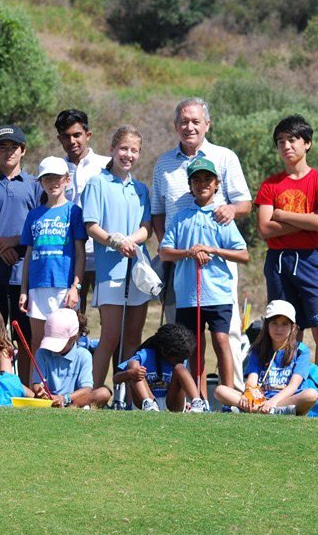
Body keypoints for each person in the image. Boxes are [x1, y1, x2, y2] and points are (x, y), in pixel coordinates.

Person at [151, 98, 252, 389]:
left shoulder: (225, 157)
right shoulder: (164, 163)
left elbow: (245, 202)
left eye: (196, 121)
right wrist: (173, 251)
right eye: (184, 121)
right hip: (179, 262)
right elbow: (158, 211)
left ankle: (232, 397)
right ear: (175, 126)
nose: (189, 126)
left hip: (218, 266)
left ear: (207, 124)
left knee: (227, 335)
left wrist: (232, 209)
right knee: (184, 337)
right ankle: (190, 398)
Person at [158, 158, 249, 409]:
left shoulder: (222, 217)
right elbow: (165, 251)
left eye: (207, 179)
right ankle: (200, 400)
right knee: (194, 348)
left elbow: (243, 255)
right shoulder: (181, 218)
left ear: (217, 184)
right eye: (196, 180)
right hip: (188, 294)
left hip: (218, 293)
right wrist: (189, 252)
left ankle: (229, 398)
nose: (202, 184)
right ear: (190, 186)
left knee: (222, 341)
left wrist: (212, 249)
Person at [255, 115, 318, 385]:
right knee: (287, 331)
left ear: (307, 144)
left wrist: (282, 214)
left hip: (311, 261)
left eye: (292, 140)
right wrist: (305, 222)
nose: (286, 146)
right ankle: (286, 393)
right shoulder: (270, 184)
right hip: (278, 262)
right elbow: (265, 229)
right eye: (280, 142)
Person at [82, 125, 152, 387]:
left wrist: (129, 241)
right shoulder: (97, 183)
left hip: (137, 271)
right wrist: (115, 241)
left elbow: (147, 229)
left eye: (134, 150)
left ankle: (127, 398)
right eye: (123, 148)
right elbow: (91, 226)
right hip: (110, 272)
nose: (128, 155)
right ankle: (93, 394)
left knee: (133, 337)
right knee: (110, 337)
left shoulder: (141, 189)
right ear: (112, 149)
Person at [0, 125, 42, 387]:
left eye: (13, 147)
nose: (8, 152)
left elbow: (39, 227)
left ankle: (23, 387)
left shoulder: (35, 186)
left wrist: (12, 243)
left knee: (23, 336)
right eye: (2, 147)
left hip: (24, 274)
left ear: (23, 150)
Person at [19, 156, 87, 358]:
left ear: (67, 179)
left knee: (65, 342)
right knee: (38, 344)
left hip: (64, 287)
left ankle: (64, 388)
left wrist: (76, 288)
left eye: (57, 177)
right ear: (41, 182)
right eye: (47, 178)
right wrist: (24, 290)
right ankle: (37, 387)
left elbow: (80, 254)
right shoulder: (34, 215)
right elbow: (29, 255)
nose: (52, 183)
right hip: (37, 287)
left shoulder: (74, 212)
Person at [214, 300, 318, 416]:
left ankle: (259, 410)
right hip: (260, 400)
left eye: (284, 324)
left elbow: (293, 386)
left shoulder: (301, 351)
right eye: (274, 323)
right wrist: (248, 393)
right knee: (220, 390)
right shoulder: (258, 349)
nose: (279, 329)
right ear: (266, 325)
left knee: (311, 395)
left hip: (286, 399)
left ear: (293, 327)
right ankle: (272, 411)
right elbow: (251, 381)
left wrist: (273, 402)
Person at [55, 109, 111, 315]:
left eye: (77, 135)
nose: (72, 141)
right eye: (66, 136)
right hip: (69, 256)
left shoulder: (107, 166)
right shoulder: (56, 170)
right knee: (71, 317)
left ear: (88, 134)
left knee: (110, 317)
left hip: (103, 253)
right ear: (59, 138)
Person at [113, 323, 206, 412]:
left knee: (180, 368)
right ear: (165, 351)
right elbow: (116, 379)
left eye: (184, 358)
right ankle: (149, 404)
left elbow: (179, 387)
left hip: (171, 404)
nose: (182, 360)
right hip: (145, 401)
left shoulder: (179, 358)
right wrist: (130, 373)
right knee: (132, 364)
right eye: (179, 358)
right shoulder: (145, 355)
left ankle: (197, 402)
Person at [32, 308, 111, 408]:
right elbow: (36, 383)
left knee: (103, 393)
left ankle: (71, 408)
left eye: (59, 341)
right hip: (48, 401)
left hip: (74, 401)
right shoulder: (42, 353)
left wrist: (65, 398)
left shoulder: (84, 355)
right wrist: (39, 390)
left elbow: (87, 389)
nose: (54, 346)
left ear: (74, 337)